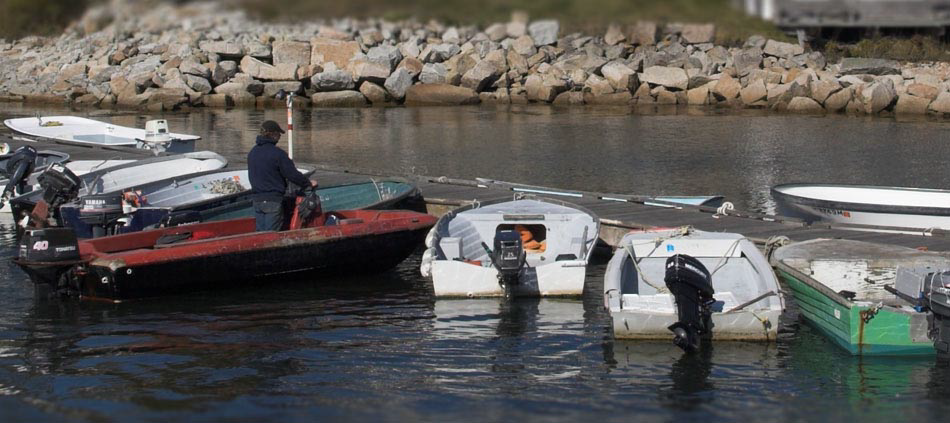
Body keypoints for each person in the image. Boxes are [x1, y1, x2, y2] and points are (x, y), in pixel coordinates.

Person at [248, 120, 316, 231]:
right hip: (273, 200)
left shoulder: (252, 152)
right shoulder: (278, 154)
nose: (280, 136)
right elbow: (292, 175)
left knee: (260, 235)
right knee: (272, 236)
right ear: (273, 134)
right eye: (279, 134)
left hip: (257, 200)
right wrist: (308, 183)